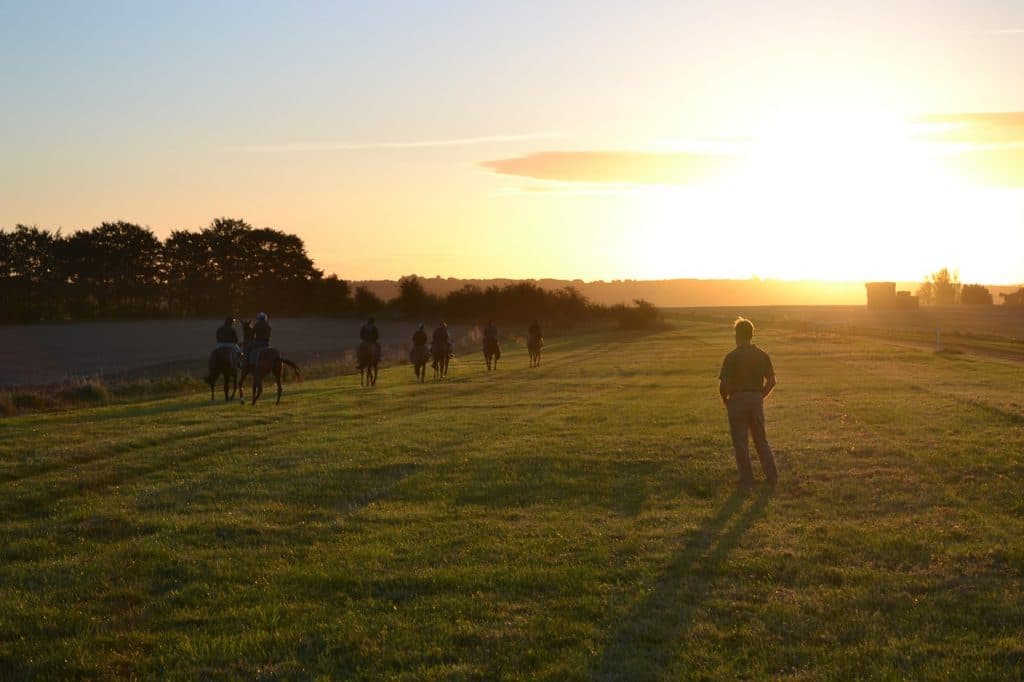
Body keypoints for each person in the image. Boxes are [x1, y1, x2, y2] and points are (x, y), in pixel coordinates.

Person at [718, 317, 778, 487]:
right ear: (752, 334)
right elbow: (772, 380)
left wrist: (726, 400)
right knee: (761, 440)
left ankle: (747, 480)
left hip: (736, 400)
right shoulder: (762, 355)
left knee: (740, 442)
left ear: (737, 335)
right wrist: (760, 396)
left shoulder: (732, 356)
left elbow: (724, 384)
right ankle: (772, 477)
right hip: (755, 399)